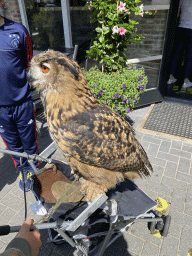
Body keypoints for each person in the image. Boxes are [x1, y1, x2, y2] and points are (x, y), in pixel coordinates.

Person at [0, 14, 39, 191]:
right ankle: (24, 171)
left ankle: (35, 170)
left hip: (21, 101)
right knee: (13, 144)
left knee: (29, 141)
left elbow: (28, 60)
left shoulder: (18, 31)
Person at [167, 0, 192, 88]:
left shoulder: (182, 0)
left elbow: (177, 13)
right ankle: (185, 81)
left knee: (176, 54)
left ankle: (170, 77)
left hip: (181, 28)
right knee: (189, 56)